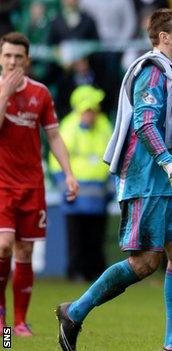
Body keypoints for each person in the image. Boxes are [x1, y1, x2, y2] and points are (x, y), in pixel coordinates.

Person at [55, 8, 172, 351]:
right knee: (146, 262)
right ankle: (74, 312)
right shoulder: (153, 71)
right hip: (145, 176)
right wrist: (170, 166)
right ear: (164, 38)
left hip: (164, 176)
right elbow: (144, 124)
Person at [0, 31, 78, 336]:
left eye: (18, 56)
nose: (12, 61)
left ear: (27, 60)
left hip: (33, 183)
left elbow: (54, 136)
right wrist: (5, 93)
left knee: (25, 253)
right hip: (3, 184)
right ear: (0, 57)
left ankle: (19, 322)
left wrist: (68, 172)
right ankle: (2, 316)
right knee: (3, 245)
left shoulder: (41, 93)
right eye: (7, 55)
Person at [49, 85, 113, 282]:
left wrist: (110, 187)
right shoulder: (69, 127)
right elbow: (56, 161)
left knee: (96, 239)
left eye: (94, 109)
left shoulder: (104, 125)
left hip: (98, 197)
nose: (92, 114)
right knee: (76, 238)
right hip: (76, 196)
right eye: (88, 110)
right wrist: (66, 188)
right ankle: (75, 272)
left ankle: (95, 274)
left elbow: (112, 156)